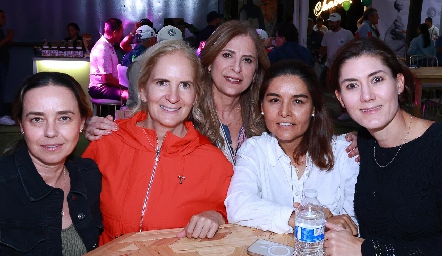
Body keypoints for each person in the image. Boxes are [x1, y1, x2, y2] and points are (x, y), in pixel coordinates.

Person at [82, 40, 233, 245]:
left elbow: (233, 215)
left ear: (196, 95)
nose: (173, 97)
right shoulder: (106, 142)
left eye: (185, 85)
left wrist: (218, 218)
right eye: (162, 82)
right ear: (143, 90)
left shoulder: (214, 162)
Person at [325, 37, 442, 255]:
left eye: (377, 79)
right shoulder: (367, 144)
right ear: (340, 99)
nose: (367, 96)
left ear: (399, 83)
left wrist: (366, 249)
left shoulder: (436, 146)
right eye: (352, 85)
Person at [225, 60, 360, 235]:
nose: (284, 112)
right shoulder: (254, 150)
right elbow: (238, 205)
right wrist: (300, 218)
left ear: (313, 108)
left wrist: (341, 224)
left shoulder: (345, 152)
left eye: (297, 101)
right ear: (261, 107)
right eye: (274, 100)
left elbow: (359, 222)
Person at [0, 72, 102, 255]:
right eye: (37, 119)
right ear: (21, 126)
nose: (50, 132)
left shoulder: (90, 176)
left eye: (64, 118)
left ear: (82, 122)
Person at [319, 13, 354, 120]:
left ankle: (346, 111)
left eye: (333, 22)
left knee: (341, 89)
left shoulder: (347, 34)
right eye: (330, 22)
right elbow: (324, 47)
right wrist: (320, 56)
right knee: (324, 87)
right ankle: (326, 110)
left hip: (342, 66)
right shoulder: (327, 34)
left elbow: (352, 48)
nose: (331, 24)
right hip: (329, 66)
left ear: (339, 22)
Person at [88, 18, 128, 101]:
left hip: (108, 86)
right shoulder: (103, 49)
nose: (122, 34)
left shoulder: (109, 45)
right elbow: (108, 79)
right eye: (121, 31)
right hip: (99, 88)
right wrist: (126, 86)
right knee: (129, 95)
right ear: (115, 33)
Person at [0, 10, 14, 125]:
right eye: (2, 17)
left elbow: (5, 46)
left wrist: (10, 38)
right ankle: (1, 116)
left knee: (2, 89)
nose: (4, 20)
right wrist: (7, 37)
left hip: (3, 63)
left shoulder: (1, 31)